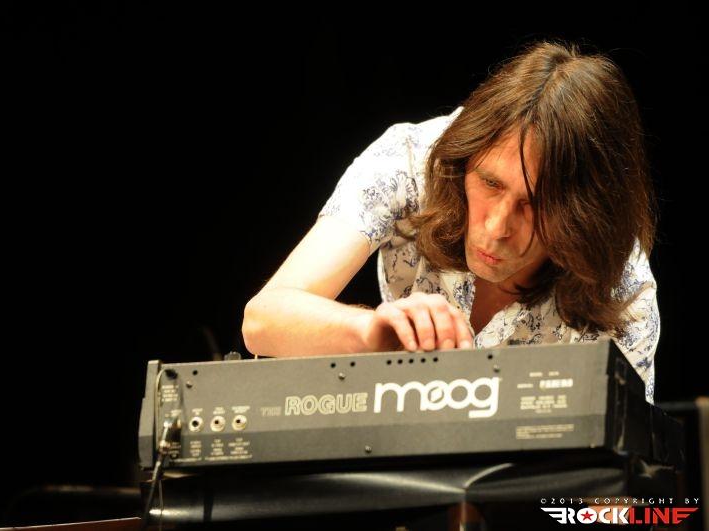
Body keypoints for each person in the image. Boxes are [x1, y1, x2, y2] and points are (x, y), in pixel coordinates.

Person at [241, 40, 659, 404]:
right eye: (490, 183)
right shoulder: (408, 161)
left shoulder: (621, 283)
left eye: (534, 204)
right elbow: (263, 320)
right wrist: (369, 331)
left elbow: (623, 464)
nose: (497, 227)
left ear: (583, 216)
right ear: (464, 161)